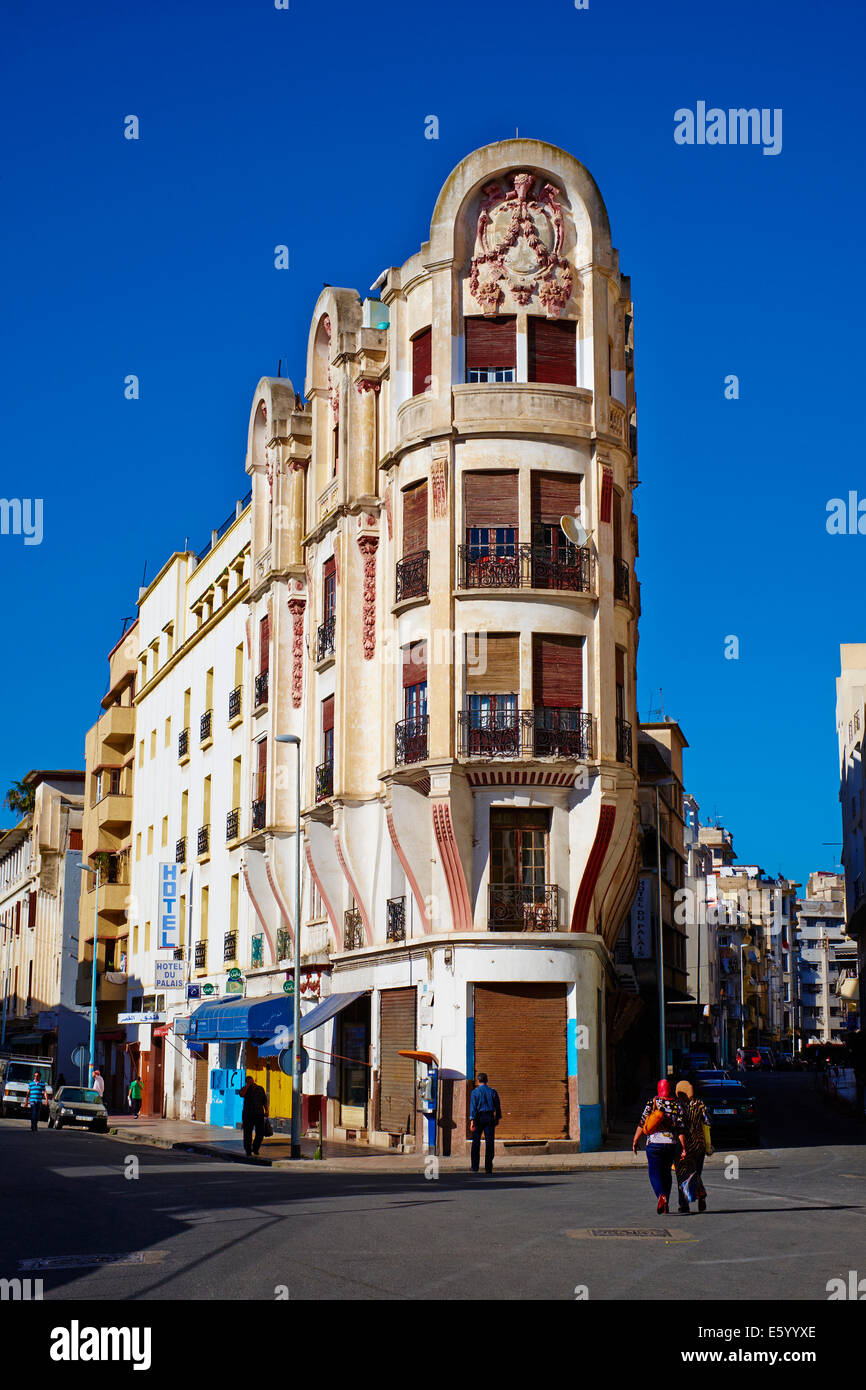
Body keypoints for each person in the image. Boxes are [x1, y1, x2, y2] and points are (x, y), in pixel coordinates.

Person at [632, 1078, 687, 1214]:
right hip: (670, 1144)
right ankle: (666, 1203)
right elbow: (681, 1129)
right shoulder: (677, 1105)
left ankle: (661, 1196)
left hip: (654, 1144)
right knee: (666, 1173)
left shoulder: (653, 1102)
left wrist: (635, 1140)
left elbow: (642, 1122)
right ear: (669, 1090)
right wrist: (684, 1148)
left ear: (658, 1089)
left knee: (654, 1173)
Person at [674, 1080, 710, 1214]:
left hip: (683, 1146)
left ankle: (684, 1204)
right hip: (699, 1146)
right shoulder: (700, 1105)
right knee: (697, 1173)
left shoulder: (677, 1106)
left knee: (682, 1175)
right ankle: (700, 1195)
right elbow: (708, 1121)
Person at [469, 1072, 502, 1174]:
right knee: (489, 1142)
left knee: (476, 1142)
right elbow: (497, 1106)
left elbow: (473, 1107)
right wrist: (497, 1118)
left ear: (478, 1081)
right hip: (489, 1117)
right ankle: (488, 1166)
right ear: (486, 1080)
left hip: (478, 1118)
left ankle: (475, 1166)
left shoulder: (475, 1092)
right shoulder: (492, 1091)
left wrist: (472, 1121)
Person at [237, 1074, 269, 1157]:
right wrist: (247, 1086)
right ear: (246, 1082)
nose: (250, 1082)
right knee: (247, 1134)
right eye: (248, 1081)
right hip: (248, 1114)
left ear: (253, 1080)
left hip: (259, 1114)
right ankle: (248, 1150)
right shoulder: (244, 1089)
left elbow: (264, 1100)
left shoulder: (260, 1089)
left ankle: (255, 1148)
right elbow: (241, 1094)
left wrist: (267, 1110)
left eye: (251, 1081)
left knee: (260, 1133)